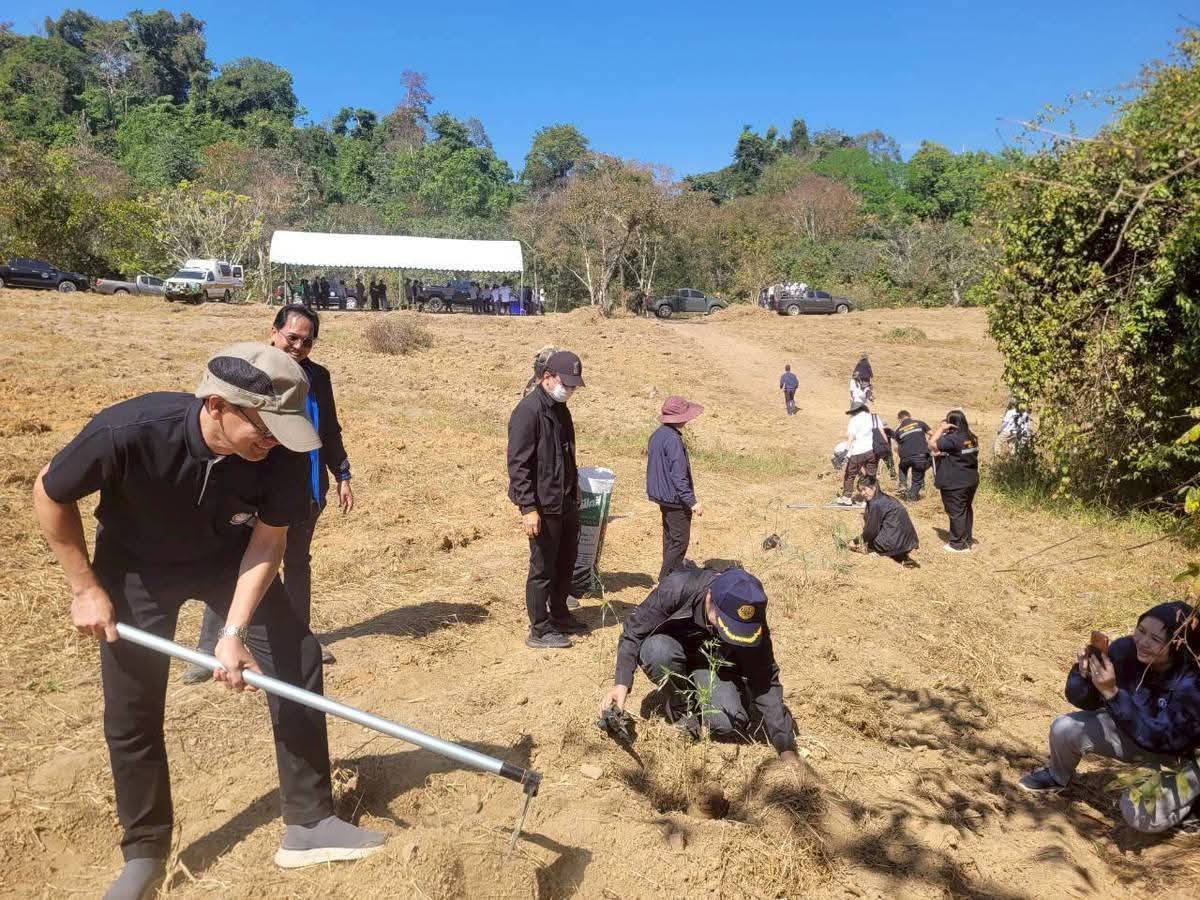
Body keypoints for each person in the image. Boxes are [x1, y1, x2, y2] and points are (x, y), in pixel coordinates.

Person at [32, 343, 385, 899]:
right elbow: (49, 492)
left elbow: (269, 541)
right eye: (264, 429)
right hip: (136, 569)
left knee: (297, 657)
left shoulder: (283, 453)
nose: (273, 442)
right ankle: (145, 851)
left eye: (282, 430)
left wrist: (232, 632)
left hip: (230, 558)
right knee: (132, 706)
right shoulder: (131, 430)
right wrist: (85, 588)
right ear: (218, 405)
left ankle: (310, 822)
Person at [185, 305, 353, 680]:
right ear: (273, 332)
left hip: (305, 489)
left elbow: (329, 429)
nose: (299, 346)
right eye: (292, 337)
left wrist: (341, 472)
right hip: (253, 491)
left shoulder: (318, 378)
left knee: (297, 563)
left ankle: (299, 638)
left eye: (307, 341)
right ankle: (208, 650)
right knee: (236, 563)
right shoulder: (248, 376)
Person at [1019, 602, 1200, 834]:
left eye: (1155, 639)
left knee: (1139, 814)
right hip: (1134, 734)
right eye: (1141, 630)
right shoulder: (1127, 651)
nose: (1142, 642)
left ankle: (1192, 802)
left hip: (1177, 756)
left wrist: (1112, 694)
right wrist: (1083, 675)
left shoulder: (1192, 684)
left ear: (1177, 645)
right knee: (1065, 728)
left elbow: (1162, 739)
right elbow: (1087, 701)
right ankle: (1057, 775)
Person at [597, 565, 801, 760]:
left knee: (728, 724)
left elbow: (764, 676)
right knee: (656, 651)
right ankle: (680, 706)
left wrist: (786, 747)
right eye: (725, 624)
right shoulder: (678, 588)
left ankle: (713, 692)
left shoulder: (750, 612)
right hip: (670, 651)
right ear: (710, 599)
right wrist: (621, 684)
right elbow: (633, 632)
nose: (728, 630)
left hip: (713, 665)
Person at [507, 350, 589, 649]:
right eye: (565, 383)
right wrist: (527, 508)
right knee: (542, 567)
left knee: (565, 562)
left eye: (573, 385)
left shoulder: (559, 408)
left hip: (565, 500)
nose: (569, 389)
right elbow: (518, 465)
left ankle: (560, 614)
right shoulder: (528, 412)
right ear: (547, 377)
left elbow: (566, 452)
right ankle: (540, 628)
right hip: (543, 505)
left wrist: (575, 484)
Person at [646, 396, 705, 582]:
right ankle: (667, 580)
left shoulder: (658, 434)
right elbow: (678, 476)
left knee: (670, 538)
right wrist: (692, 502)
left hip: (662, 496)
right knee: (680, 540)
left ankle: (672, 574)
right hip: (675, 499)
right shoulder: (673, 440)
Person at [929, 409, 979, 552]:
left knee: (956, 511)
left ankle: (957, 545)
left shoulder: (952, 439)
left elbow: (932, 444)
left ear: (951, 423)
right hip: (970, 479)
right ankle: (966, 539)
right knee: (966, 509)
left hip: (955, 482)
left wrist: (941, 429)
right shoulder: (971, 437)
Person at [849, 475, 918, 567]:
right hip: (908, 542)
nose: (862, 493)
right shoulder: (885, 498)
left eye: (864, 489)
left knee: (868, 536)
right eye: (860, 490)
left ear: (873, 487)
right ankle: (900, 555)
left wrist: (855, 541)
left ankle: (874, 550)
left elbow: (871, 531)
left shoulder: (876, 503)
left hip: (894, 543)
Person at [837, 402, 877, 506]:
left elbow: (851, 437)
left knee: (850, 474)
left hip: (858, 451)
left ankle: (847, 497)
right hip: (871, 451)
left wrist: (845, 451)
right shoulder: (871, 417)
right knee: (870, 475)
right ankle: (870, 498)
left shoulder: (854, 420)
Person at [891, 410, 932, 501]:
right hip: (920, 456)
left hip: (905, 457)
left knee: (902, 467)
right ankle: (911, 498)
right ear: (910, 416)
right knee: (917, 480)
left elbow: (895, 447)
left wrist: (901, 453)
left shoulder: (898, 430)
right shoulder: (920, 423)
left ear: (899, 419)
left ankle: (902, 485)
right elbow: (932, 434)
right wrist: (928, 446)